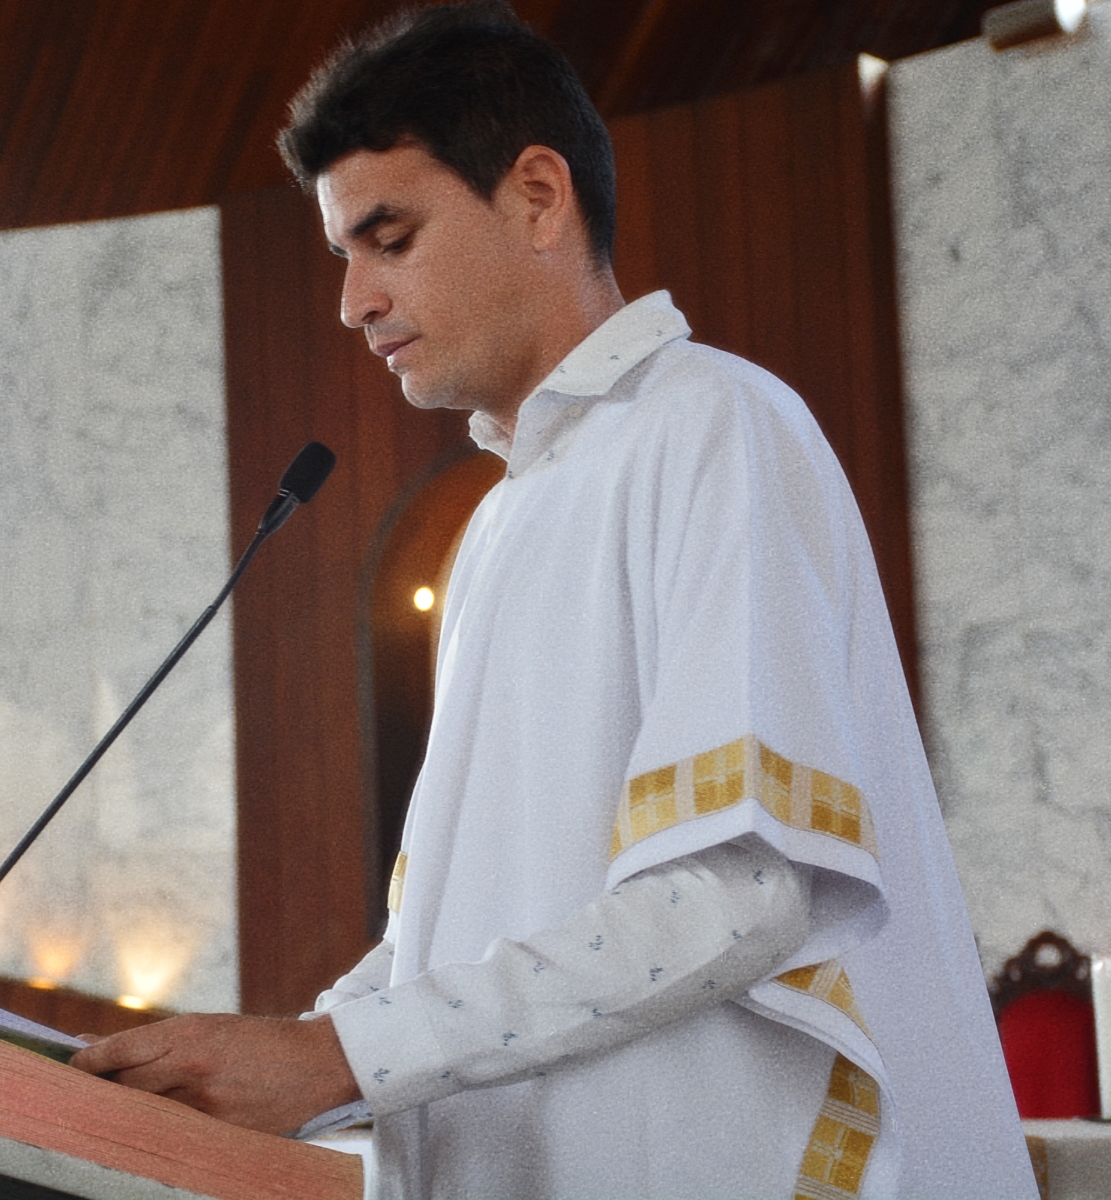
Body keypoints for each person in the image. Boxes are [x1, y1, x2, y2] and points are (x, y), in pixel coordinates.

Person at [72, 4, 1037, 1197]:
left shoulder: (713, 426)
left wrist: (339, 1056)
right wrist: (289, 1048)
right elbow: (480, 927)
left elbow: (743, 888)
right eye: (343, 257)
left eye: (389, 239)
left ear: (537, 196)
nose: (353, 301)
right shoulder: (496, 524)